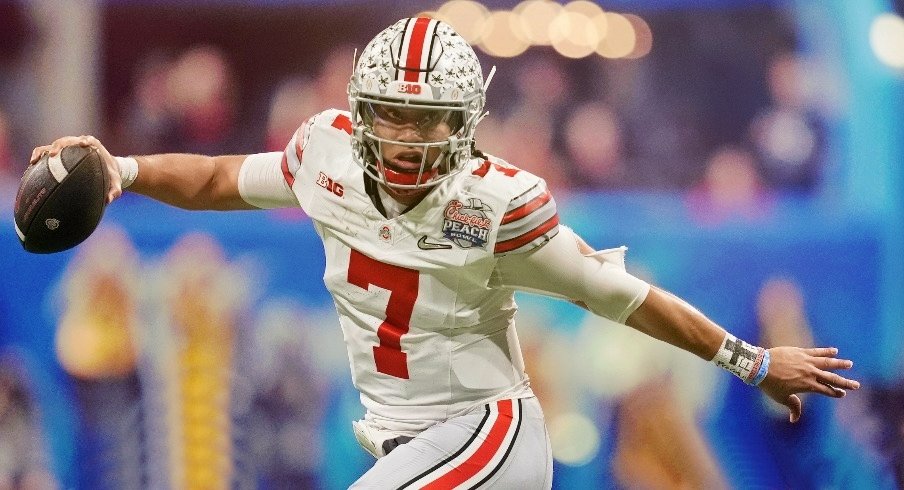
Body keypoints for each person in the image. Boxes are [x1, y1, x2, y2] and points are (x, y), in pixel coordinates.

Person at [31, 17, 860, 488]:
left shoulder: (496, 206)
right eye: (389, 113)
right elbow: (216, 178)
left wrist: (752, 362)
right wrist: (123, 169)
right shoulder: (325, 152)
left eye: (427, 119)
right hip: (411, 443)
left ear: (464, 122)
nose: (404, 135)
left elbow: (624, 296)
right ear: (360, 108)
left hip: (487, 435)